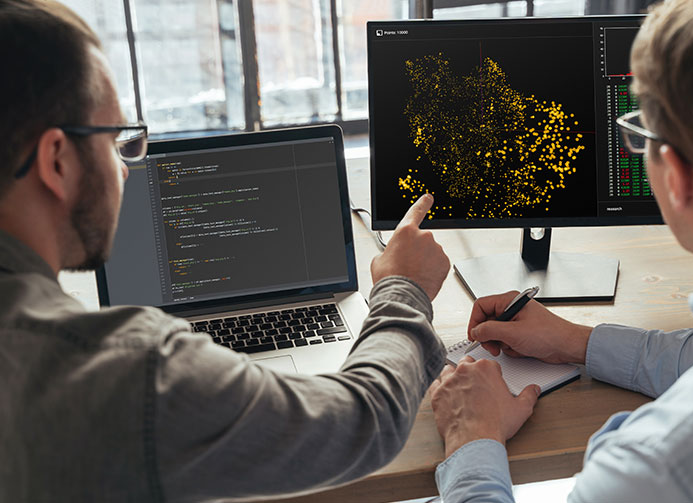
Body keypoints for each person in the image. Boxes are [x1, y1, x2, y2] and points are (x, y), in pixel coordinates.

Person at [0, 1, 451, 501]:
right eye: (114, 141)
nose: (126, 168)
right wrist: (403, 287)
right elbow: (363, 423)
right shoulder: (121, 370)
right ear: (56, 161)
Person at [429, 0, 693, 501]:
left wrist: (470, 440)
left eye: (642, 134)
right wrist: (578, 342)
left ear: (676, 176)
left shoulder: (659, 469)